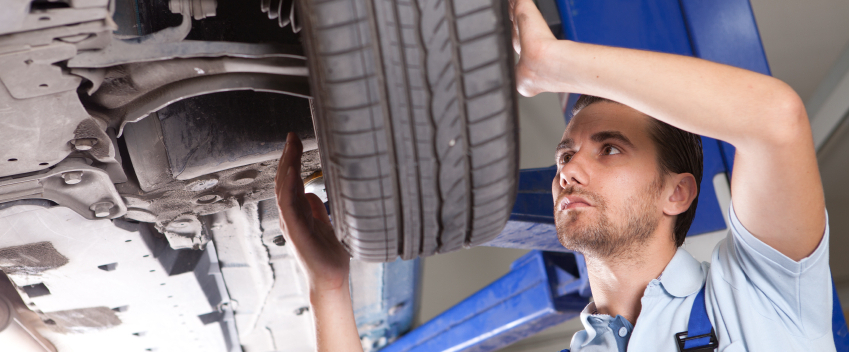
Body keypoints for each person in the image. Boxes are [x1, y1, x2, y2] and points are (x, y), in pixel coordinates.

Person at [273, 0, 833, 350]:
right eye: (565, 155)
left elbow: (774, 120)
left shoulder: (764, 296)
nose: (569, 169)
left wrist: (554, 62)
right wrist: (329, 288)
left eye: (609, 149)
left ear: (677, 191)